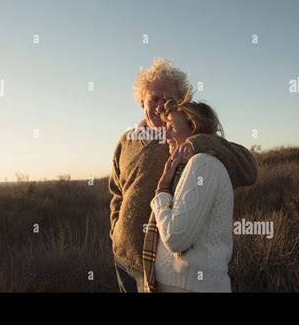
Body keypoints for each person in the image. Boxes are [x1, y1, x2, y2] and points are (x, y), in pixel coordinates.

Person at [109, 58, 257, 292]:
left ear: (182, 103)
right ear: (141, 101)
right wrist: (116, 229)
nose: (159, 107)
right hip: (122, 258)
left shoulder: (182, 135)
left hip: (158, 269)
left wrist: (196, 141)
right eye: (153, 99)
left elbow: (248, 168)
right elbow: (117, 192)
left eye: (169, 101)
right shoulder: (126, 141)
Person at [145, 95, 234, 292]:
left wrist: (161, 191)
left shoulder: (202, 163)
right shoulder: (190, 166)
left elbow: (175, 238)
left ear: (193, 127)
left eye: (171, 126)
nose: (165, 133)